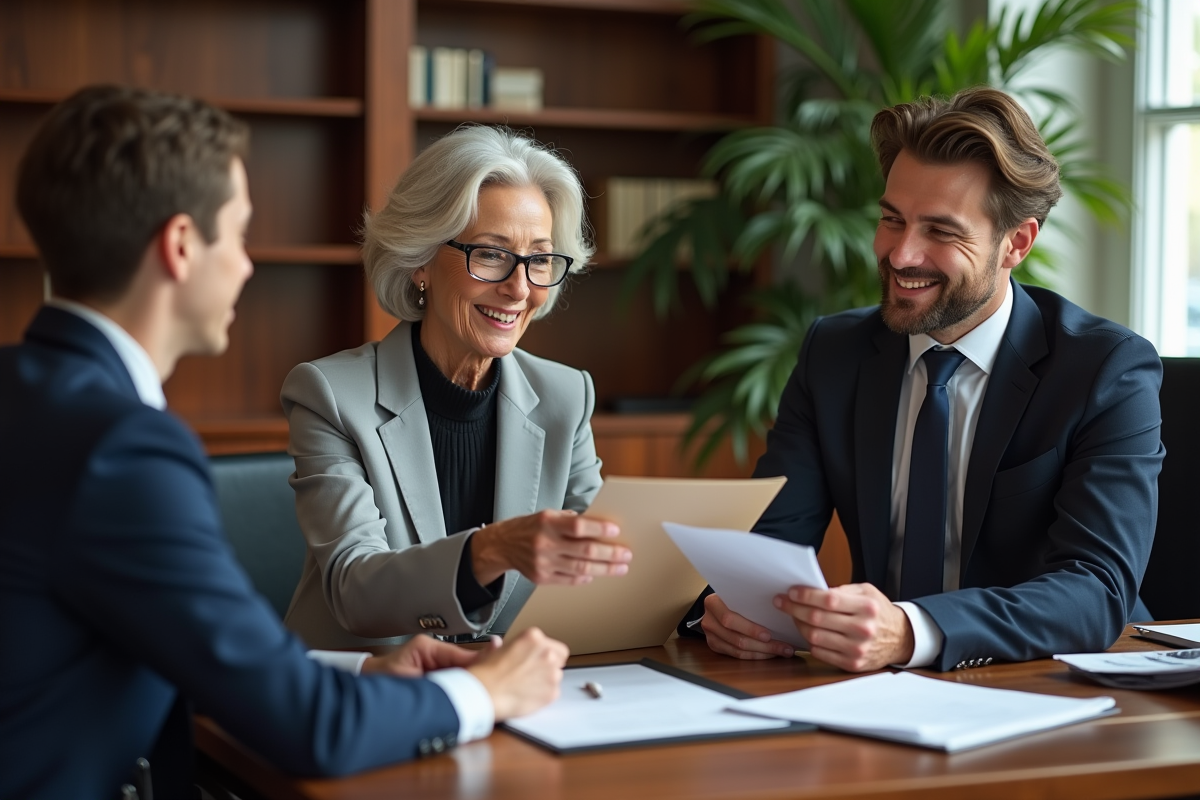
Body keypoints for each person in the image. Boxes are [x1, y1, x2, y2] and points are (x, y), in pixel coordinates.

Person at [0, 85, 569, 800]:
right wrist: (488, 692)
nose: (245, 264)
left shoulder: (24, 396)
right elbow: (312, 730)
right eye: (236, 235)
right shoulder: (125, 453)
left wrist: (360, 671)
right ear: (180, 247)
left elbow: (152, 650)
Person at [686, 86, 1163, 673]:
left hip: (1057, 681)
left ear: (1016, 243)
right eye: (892, 219)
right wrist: (730, 608)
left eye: (941, 231)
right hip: (878, 696)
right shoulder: (833, 353)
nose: (901, 254)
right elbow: (771, 547)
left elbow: (1097, 588)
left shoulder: (1103, 369)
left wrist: (916, 632)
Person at [281, 125, 631, 650]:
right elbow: (356, 589)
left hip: (509, 693)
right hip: (367, 694)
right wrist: (491, 549)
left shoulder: (565, 396)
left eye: (539, 259)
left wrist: (703, 607)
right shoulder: (331, 395)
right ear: (419, 258)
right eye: (490, 254)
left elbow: (603, 568)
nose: (519, 288)